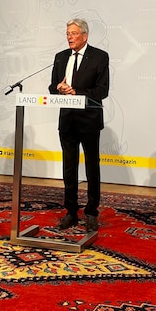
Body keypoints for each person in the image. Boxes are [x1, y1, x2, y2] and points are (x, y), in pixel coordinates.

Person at [49, 18, 110, 232]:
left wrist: (77, 92)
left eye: (73, 33)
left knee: (92, 167)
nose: (69, 37)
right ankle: (71, 212)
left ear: (85, 35)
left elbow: (102, 90)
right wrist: (59, 87)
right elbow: (52, 86)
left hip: (89, 119)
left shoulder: (100, 57)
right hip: (67, 120)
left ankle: (91, 212)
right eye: (67, 33)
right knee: (69, 166)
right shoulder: (60, 57)